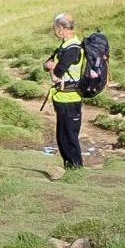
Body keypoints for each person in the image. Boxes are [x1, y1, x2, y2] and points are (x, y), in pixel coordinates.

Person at [48, 13, 85, 169]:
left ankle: (76, 169)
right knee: (62, 137)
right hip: (62, 98)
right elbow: (48, 63)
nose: (55, 31)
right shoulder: (64, 46)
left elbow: (56, 73)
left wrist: (51, 70)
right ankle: (70, 168)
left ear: (61, 28)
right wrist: (51, 67)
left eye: (55, 28)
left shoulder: (73, 48)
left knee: (69, 137)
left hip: (70, 99)